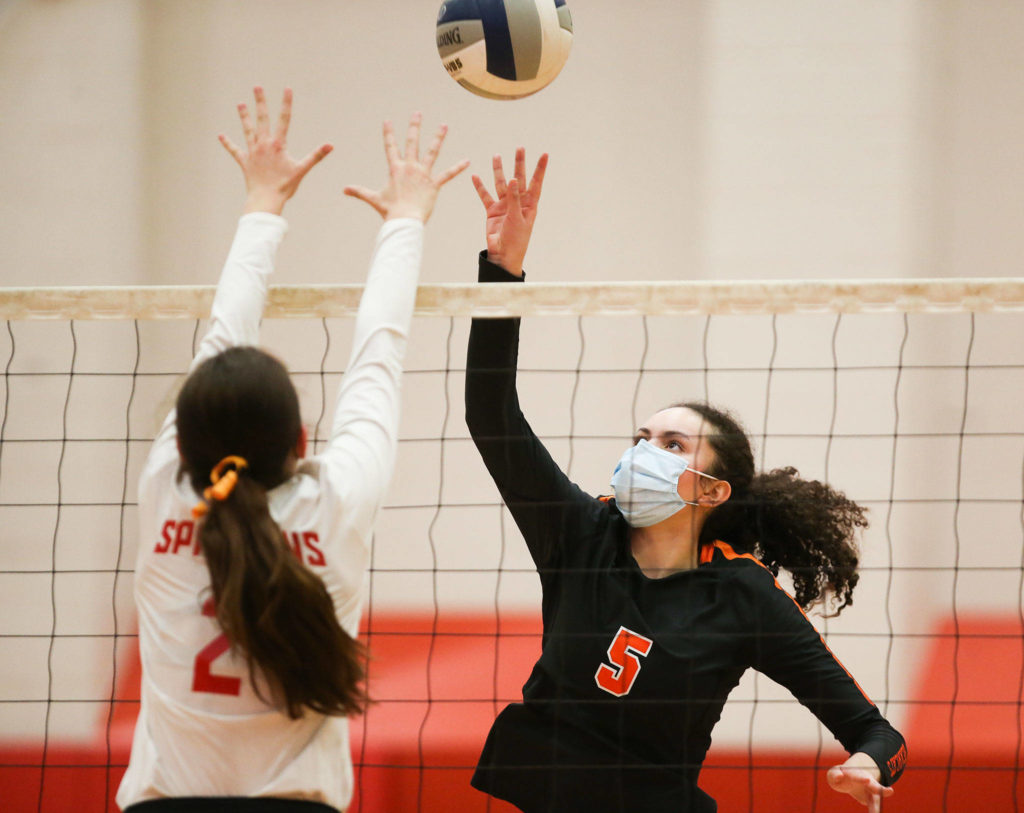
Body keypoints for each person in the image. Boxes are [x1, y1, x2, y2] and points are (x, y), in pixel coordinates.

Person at [464, 150, 907, 813]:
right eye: (641, 438)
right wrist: (502, 273)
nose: (644, 453)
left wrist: (863, 764)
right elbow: (490, 414)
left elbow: (881, 734)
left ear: (712, 490)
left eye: (673, 443)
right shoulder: (581, 531)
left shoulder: (742, 593)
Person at [117, 87, 468, 813]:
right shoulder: (332, 502)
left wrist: (261, 205)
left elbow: (223, 332)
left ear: (182, 440)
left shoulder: (163, 486)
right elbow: (380, 353)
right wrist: (406, 218)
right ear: (303, 441)